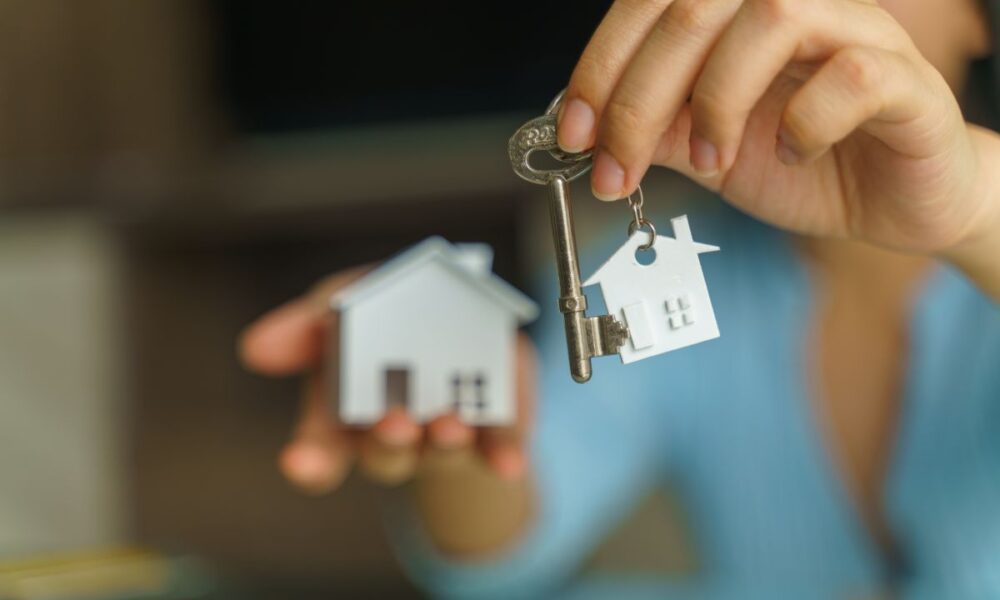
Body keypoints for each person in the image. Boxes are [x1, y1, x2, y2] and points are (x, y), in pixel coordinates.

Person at [240, 0, 1000, 597]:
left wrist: (974, 209)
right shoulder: (672, 274)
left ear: (979, 17)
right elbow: (502, 548)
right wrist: (458, 420)